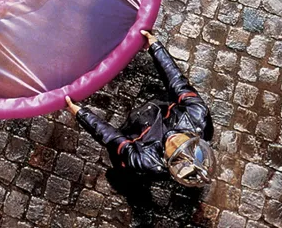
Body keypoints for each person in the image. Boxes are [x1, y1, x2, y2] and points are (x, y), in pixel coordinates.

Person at [65, 30, 215, 187]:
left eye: (176, 157)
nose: (175, 144)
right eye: (186, 145)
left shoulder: (144, 161)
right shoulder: (198, 114)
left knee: (121, 162)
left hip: (133, 130)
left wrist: (80, 113)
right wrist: (155, 47)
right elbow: (176, 81)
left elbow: (112, 138)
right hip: (159, 106)